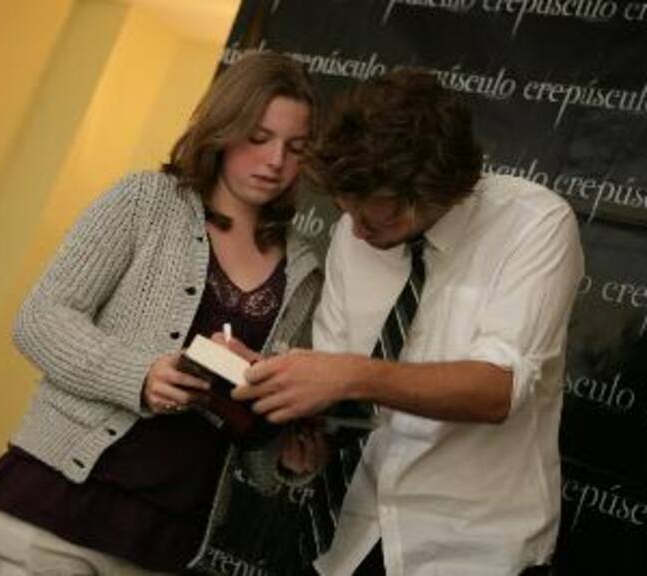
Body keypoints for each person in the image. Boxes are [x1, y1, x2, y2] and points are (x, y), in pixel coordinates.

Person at [0, 51, 324, 575]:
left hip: (163, 549)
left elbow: (252, 445)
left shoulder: (304, 271)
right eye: (259, 137)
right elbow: (40, 319)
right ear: (224, 129)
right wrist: (140, 376)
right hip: (49, 518)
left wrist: (286, 459)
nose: (275, 161)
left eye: (295, 148)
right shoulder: (145, 201)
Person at [233, 68, 585, 575]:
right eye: (346, 209)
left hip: (470, 549)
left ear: (436, 191)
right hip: (349, 540)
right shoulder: (352, 237)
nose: (356, 231)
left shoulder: (534, 224)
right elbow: (340, 391)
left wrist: (350, 374)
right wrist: (298, 416)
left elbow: (497, 389)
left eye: (374, 216)